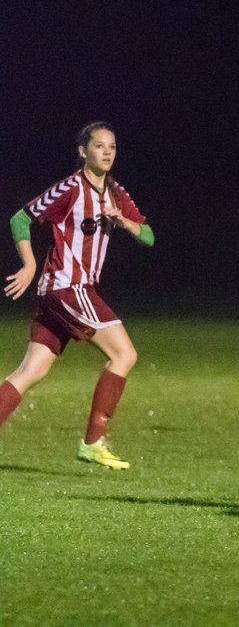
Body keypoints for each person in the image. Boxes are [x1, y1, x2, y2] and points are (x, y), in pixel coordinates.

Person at [0, 121, 154, 469]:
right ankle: (93, 442)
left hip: (65, 292)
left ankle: (92, 443)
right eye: (99, 146)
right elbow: (19, 220)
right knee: (124, 354)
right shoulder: (70, 189)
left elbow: (149, 237)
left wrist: (126, 223)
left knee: (30, 371)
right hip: (68, 287)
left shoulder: (115, 194)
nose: (107, 153)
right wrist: (29, 263)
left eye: (112, 147)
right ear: (83, 151)